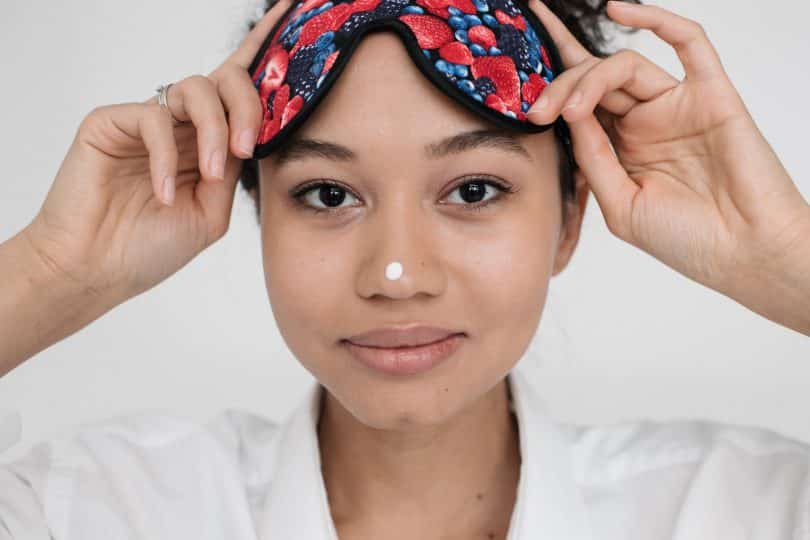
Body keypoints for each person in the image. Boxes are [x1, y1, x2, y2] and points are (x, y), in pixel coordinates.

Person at [1, 0, 809, 537]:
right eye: (326, 194)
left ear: (571, 217)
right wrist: (53, 268)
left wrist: (782, 255)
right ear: (256, 212)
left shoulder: (740, 510)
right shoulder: (101, 510)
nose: (394, 274)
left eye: (474, 188)